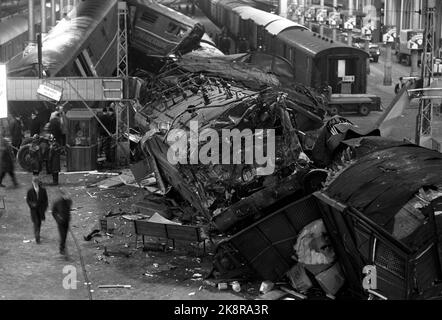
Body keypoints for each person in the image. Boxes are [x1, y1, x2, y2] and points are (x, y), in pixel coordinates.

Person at [26, 176, 48, 244]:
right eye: (34, 182)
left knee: (39, 223)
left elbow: (45, 200)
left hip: (41, 210)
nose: (35, 183)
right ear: (32, 182)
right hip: (34, 210)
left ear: (38, 182)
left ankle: (37, 234)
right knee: (36, 223)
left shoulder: (43, 190)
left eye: (36, 182)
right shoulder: (30, 191)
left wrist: (44, 208)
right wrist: (32, 205)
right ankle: (37, 237)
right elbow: (28, 200)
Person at [51, 188, 72, 255]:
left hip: (67, 221)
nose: (68, 195)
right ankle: (61, 248)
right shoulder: (57, 203)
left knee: (65, 236)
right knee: (62, 236)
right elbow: (54, 212)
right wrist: (57, 219)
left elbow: (69, 209)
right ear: (63, 195)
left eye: (68, 194)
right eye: (66, 194)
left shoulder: (69, 201)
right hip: (60, 222)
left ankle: (62, 247)